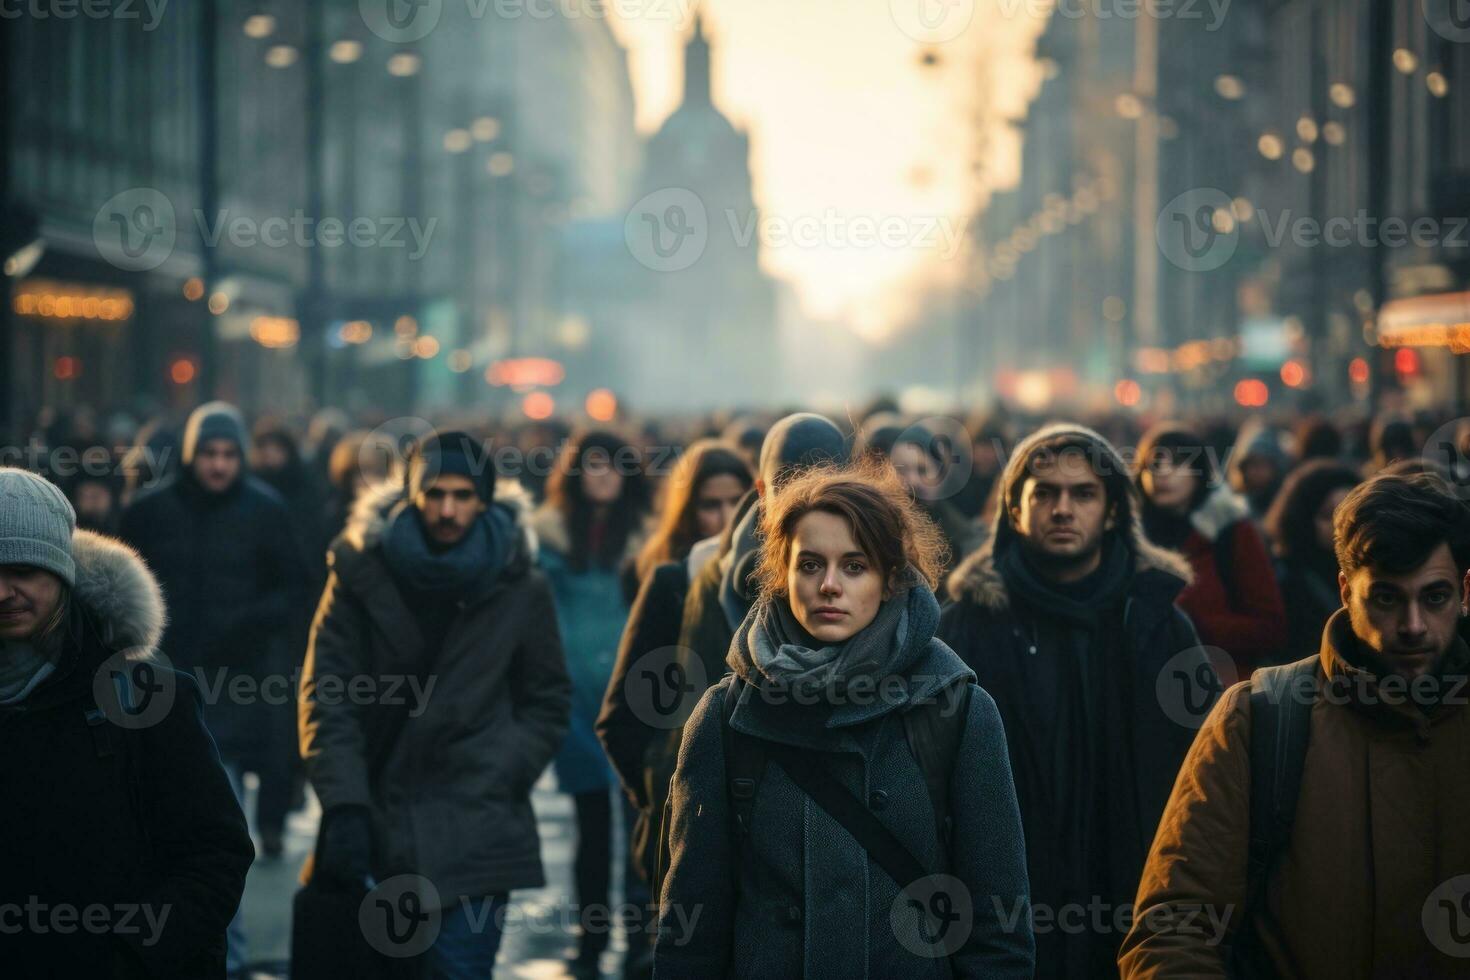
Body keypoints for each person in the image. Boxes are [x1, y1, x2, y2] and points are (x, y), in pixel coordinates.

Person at [654, 460, 1034, 978]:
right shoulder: (726, 717)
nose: (829, 585)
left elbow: (998, 924)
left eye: (855, 566)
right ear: (781, 575)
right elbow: (690, 932)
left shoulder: (956, 710)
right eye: (810, 564)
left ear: (890, 578)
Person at [1120, 472, 1470, 978]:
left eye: (1433, 598)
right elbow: (1175, 928)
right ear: (1347, 592)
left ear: (1464, 591)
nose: (1412, 625)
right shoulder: (1261, 715)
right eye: (1387, 598)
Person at [936, 422, 1215, 979]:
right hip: (1007, 909)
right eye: (1044, 493)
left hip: (1136, 900)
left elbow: (1204, 778)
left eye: (1083, 493)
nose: (1063, 509)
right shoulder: (967, 628)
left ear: (1113, 509)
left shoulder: (1161, 624)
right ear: (1015, 510)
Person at [300, 430, 571, 976]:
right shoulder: (359, 570)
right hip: (382, 821)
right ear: (412, 495)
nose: (447, 509)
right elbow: (327, 695)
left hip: (479, 821)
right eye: (435, 494)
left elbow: (547, 695)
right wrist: (346, 804)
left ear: (484, 500)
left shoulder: (521, 583)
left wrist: (505, 764)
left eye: (463, 495)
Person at [0, 467, 253, 978]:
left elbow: (215, 854)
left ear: (63, 574)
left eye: (24, 570)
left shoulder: (144, 697)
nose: (4, 592)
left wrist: (134, 956)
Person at [118, 401, 307, 972]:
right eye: (210, 454)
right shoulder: (151, 512)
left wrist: (250, 622)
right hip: (160, 685)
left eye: (229, 455)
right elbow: (123, 584)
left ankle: (226, 956)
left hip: (236, 689)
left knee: (220, 827)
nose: (219, 466)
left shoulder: (265, 510)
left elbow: (296, 588)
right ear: (193, 454)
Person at [532, 429, 653, 980]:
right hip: (576, 699)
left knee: (639, 824)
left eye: (613, 463)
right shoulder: (550, 537)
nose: (603, 474)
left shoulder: (650, 539)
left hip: (637, 697)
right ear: (576, 472)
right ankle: (590, 938)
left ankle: (638, 941)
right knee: (590, 823)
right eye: (593, 463)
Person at [1135, 423, 1288, 674]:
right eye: (1153, 465)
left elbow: (1271, 628)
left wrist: (1192, 625)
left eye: (1177, 463)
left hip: (1216, 692)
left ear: (1199, 473)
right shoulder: (1127, 539)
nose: (1162, 473)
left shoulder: (1231, 531)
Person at [1263, 459, 1361, 656]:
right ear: (1304, 519)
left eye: (1353, 516)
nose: (1342, 526)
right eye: (1327, 516)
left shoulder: (1370, 572)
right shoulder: (1285, 581)